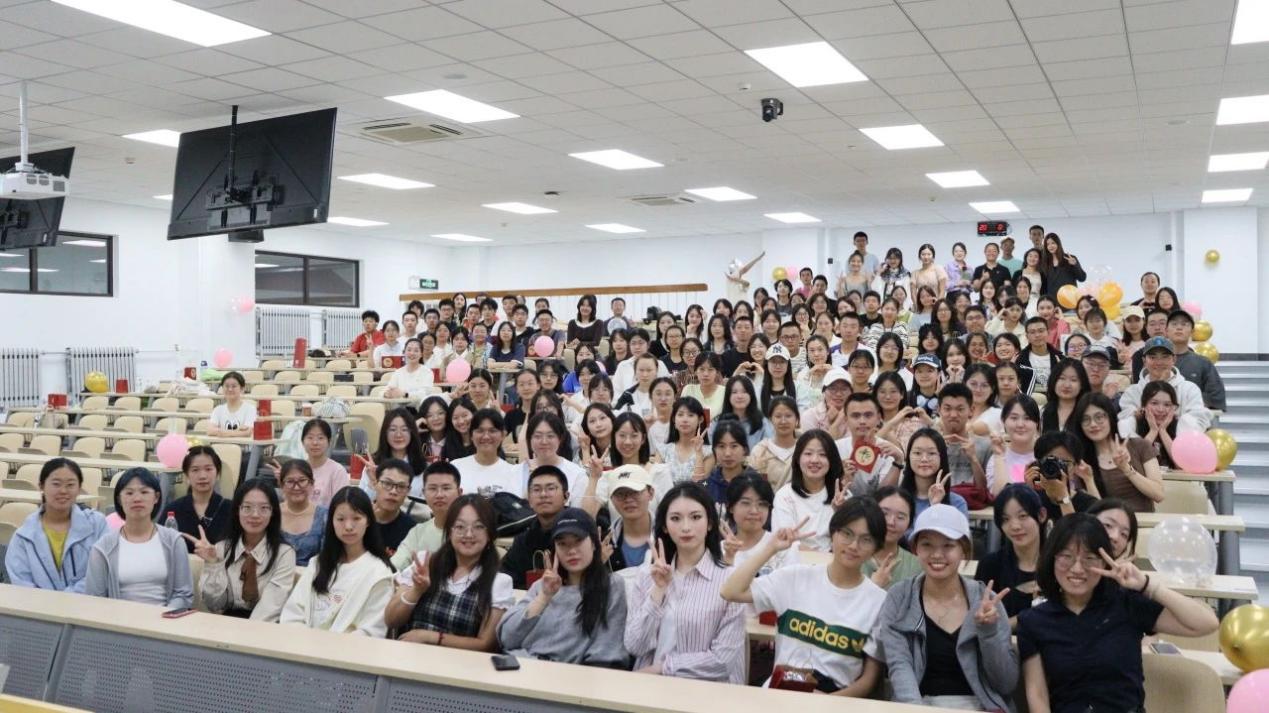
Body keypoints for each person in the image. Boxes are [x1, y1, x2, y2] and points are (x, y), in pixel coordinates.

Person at [1018, 514, 1219, 713]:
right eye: (1066, 557)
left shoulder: (1126, 604)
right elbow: (1037, 694)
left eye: (1089, 558)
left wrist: (1147, 586)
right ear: (1052, 559)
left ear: (1105, 562)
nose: (1077, 568)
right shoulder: (1034, 621)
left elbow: (1206, 623)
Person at [722, 499, 887, 696]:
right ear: (833, 534)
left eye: (866, 540)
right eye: (847, 534)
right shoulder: (795, 577)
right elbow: (730, 591)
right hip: (779, 694)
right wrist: (771, 548)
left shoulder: (879, 601)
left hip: (834, 700)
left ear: (876, 547)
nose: (853, 545)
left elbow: (868, 681)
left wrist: (824, 704)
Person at [877, 504, 1018, 710]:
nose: (937, 554)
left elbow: (1005, 683)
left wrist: (989, 633)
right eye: (927, 545)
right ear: (915, 549)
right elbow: (900, 665)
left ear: (964, 550)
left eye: (948, 546)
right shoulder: (899, 598)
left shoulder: (986, 600)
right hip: (918, 705)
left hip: (979, 705)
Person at [624, 483, 747, 683]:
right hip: (650, 689)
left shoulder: (731, 581)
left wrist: (663, 668)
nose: (686, 527)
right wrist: (658, 591)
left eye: (696, 517)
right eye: (675, 518)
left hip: (707, 692)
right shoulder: (647, 575)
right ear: (665, 526)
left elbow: (722, 662)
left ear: (710, 523)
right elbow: (634, 646)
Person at [498, 507, 629, 666]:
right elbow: (507, 638)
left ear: (594, 544)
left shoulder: (611, 586)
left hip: (567, 675)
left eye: (578, 541)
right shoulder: (544, 586)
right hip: (521, 667)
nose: (571, 551)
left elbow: (605, 654)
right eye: (562, 544)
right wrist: (543, 598)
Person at [385, 494, 514, 650]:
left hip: (458, 662)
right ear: (449, 531)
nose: (468, 534)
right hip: (408, 656)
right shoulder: (425, 563)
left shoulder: (498, 582)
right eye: (460, 527)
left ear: (490, 534)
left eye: (479, 527)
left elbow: (486, 644)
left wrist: (431, 637)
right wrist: (416, 591)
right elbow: (391, 620)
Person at [281, 486, 395, 636]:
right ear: (332, 522)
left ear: (368, 521)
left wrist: (329, 646)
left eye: (356, 518)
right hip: (303, 644)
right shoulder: (317, 563)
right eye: (340, 519)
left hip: (348, 649)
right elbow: (293, 614)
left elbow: (371, 630)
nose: (348, 526)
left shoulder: (379, 573)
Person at [189, 478, 297, 621]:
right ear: (237, 511)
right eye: (247, 507)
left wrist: (244, 632)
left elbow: (271, 607)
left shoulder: (284, 554)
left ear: (273, 512)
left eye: (264, 508)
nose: (255, 515)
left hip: (264, 627)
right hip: (225, 623)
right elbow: (214, 604)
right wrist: (213, 563)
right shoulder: (222, 548)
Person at [85, 468, 193, 608]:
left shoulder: (173, 541)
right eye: (129, 493)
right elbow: (95, 599)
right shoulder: (103, 548)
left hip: (165, 618)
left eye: (144, 492)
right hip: (118, 619)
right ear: (119, 499)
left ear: (156, 497)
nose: (137, 499)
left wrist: (163, 615)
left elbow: (183, 594)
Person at [5, 458, 109, 592]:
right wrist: (51, 602)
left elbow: (103, 571)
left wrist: (67, 598)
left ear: (79, 488)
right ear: (41, 486)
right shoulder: (23, 537)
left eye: (70, 485)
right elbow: (21, 582)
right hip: (37, 605)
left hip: (88, 603)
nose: (63, 491)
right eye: (56, 484)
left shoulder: (97, 525)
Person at [1069, 393, 1163, 514]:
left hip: (1144, 522)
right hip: (1106, 523)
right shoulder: (1082, 462)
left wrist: (1126, 469)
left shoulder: (1139, 446)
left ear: (1110, 417)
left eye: (1099, 417)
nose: (1093, 424)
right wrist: (1089, 480)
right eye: (1086, 419)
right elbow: (1095, 512)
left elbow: (1158, 494)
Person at [976, 484, 1047, 623]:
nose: (1015, 526)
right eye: (1006, 519)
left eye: (1022, 516)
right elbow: (978, 619)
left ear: (1041, 515)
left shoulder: (1058, 563)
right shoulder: (991, 565)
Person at [1118, 336, 1211, 437]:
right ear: (1144, 361)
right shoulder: (1132, 392)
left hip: (1179, 442)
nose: (1159, 362)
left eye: (1165, 357)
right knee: (1126, 423)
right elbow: (1125, 418)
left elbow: (1199, 419)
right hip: (1143, 442)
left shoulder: (1189, 389)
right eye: (1153, 357)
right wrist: (1139, 415)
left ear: (1174, 359)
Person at [500, 465, 573, 589]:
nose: (543, 494)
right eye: (537, 489)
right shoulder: (524, 540)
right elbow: (506, 579)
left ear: (566, 496)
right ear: (529, 500)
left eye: (551, 488)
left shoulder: (579, 534)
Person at [772, 430, 846, 551]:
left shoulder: (842, 496)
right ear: (797, 458)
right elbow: (784, 541)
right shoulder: (784, 495)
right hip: (795, 559)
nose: (814, 460)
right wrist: (817, 558)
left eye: (822, 454)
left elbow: (848, 542)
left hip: (833, 560)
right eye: (808, 453)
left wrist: (840, 513)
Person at [718, 473, 799, 573]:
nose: (754, 511)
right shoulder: (719, 550)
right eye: (746, 503)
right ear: (731, 507)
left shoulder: (782, 546)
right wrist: (729, 557)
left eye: (762, 504)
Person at [391, 462, 461, 571]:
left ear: (459, 492)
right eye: (433, 488)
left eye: (446, 488)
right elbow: (395, 565)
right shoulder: (418, 532)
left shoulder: (471, 531)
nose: (439, 495)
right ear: (423, 493)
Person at [862, 486, 923, 589]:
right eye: (884, 513)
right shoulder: (851, 554)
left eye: (900, 517)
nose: (891, 522)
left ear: (909, 524)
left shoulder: (917, 566)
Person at [900, 428, 968, 519]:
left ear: (942, 457)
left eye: (931, 453)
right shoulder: (897, 500)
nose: (924, 459)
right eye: (917, 453)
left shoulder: (957, 503)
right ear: (908, 456)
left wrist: (936, 506)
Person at [1167, 309, 1226, 410]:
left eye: (1184, 324)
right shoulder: (1155, 362)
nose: (1179, 327)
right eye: (1174, 324)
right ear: (1166, 330)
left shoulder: (1203, 363)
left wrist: (1187, 402)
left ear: (1192, 332)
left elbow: (1215, 396)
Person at [986, 395, 1042, 496]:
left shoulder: (1047, 455)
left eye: (1027, 418)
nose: (1020, 424)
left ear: (1037, 423)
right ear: (1003, 421)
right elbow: (999, 495)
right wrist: (999, 456)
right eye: (1014, 418)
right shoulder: (997, 458)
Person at [288, 419, 349, 508]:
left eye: (320, 438)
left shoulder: (337, 471)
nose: (315, 443)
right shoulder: (296, 470)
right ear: (302, 442)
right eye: (310, 438)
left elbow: (341, 506)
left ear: (329, 442)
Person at [278, 460, 326, 567]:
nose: (296, 487)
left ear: (312, 483)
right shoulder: (272, 514)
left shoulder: (324, 516)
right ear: (281, 485)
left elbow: (326, 559)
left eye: (302, 480)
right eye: (290, 481)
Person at [702, 419, 761, 505]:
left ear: (744, 449)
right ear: (714, 450)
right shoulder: (706, 486)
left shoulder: (758, 483)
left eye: (734, 446)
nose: (727, 453)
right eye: (721, 446)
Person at [748, 395, 799, 490]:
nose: (783, 421)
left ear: (797, 419)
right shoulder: (760, 450)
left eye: (788, 416)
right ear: (770, 419)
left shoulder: (804, 449)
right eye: (778, 416)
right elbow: (754, 487)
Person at [368, 459, 418, 556]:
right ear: (375, 484)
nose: (393, 491)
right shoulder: (358, 520)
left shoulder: (412, 532)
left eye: (401, 486)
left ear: (408, 491)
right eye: (387, 483)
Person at [658, 397, 712, 484]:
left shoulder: (709, 452)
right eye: (680, 415)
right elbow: (656, 482)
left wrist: (699, 453)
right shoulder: (663, 450)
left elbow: (701, 484)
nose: (685, 420)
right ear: (673, 419)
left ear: (700, 419)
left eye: (690, 415)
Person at [1135, 380, 1180, 468]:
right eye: (1154, 403)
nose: (1160, 409)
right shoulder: (1133, 425)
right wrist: (1153, 431)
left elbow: (1181, 465)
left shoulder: (1180, 427)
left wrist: (1163, 431)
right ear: (1144, 405)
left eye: (1167, 405)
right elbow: (1134, 462)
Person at [799, 366, 851, 437]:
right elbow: (814, 443)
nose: (838, 394)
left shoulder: (858, 415)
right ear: (823, 391)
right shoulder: (810, 416)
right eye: (833, 389)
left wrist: (839, 419)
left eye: (844, 389)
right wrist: (833, 423)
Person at [1041, 360, 1090, 432]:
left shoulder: (1088, 412)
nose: (1067, 385)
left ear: (1082, 384)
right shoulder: (1043, 412)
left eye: (1073, 380)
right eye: (1062, 378)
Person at [208, 371, 255, 437]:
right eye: (227, 386)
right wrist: (238, 431)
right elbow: (210, 431)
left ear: (242, 389)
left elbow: (248, 432)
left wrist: (223, 432)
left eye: (234, 386)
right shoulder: (218, 409)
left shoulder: (250, 409)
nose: (230, 389)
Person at [1039, 232, 1085, 298]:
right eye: (1048, 244)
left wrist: (1075, 265)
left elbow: (1082, 278)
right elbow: (1044, 285)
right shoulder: (1045, 262)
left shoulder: (1069, 258)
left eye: (1053, 243)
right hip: (1053, 300)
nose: (1050, 246)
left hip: (1069, 298)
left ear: (1058, 243)